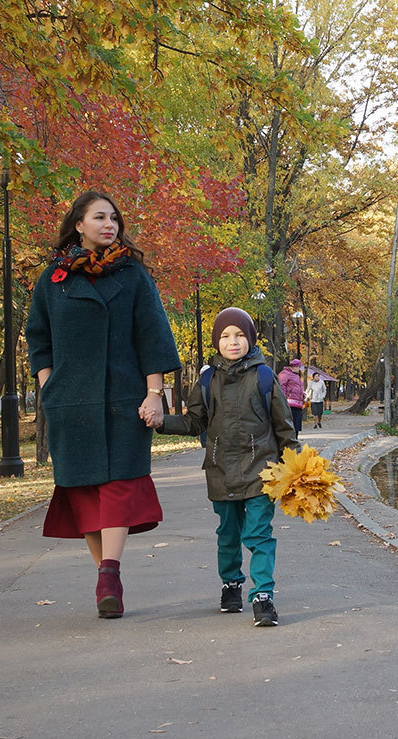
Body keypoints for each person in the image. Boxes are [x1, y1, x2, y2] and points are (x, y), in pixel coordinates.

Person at [25, 190, 180, 619]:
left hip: (124, 398)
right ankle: (104, 578)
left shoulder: (132, 274)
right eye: (99, 217)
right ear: (79, 224)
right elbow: (38, 336)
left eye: (114, 217)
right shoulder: (54, 278)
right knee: (85, 490)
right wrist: (47, 383)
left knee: (119, 485)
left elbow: (153, 335)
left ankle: (108, 572)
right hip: (70, 401)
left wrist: (155, 393)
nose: (109, 224)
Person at [150, 308, 298, 626]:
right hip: (220, 470)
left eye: (240, 335)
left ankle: (263, 596)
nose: (233, 342)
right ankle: (231, 584)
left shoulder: (264, 377)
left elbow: (284, 428)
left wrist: (298, 468)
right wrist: (163, 422)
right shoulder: (207, 379)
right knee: (228, 534)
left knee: (259, 534)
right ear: (217, 342)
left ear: (251, 339)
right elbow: (195, 421)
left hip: (262, 471)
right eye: (226, 336)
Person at [278, 358, 305, 434]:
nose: (299, 369)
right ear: (295, 366)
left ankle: (295, 442)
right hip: (290, 403)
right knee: (291, 425)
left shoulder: (296, 375)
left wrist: (302, 394)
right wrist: (284, 399)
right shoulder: (285, 374)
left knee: (296, 426)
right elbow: (281, 387)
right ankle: (290, 443)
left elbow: (296, 388)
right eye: (299, 367)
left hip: (297, 403)